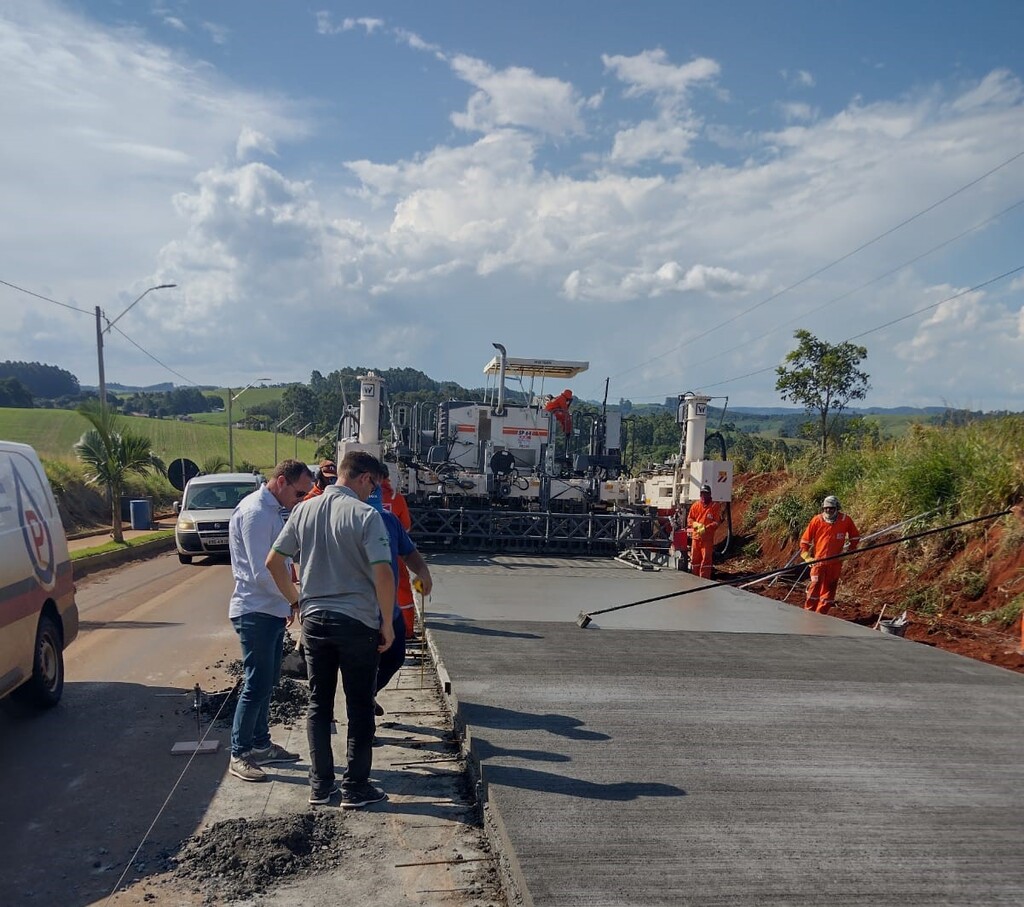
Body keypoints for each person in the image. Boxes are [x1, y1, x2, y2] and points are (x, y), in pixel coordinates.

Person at [266, 451, 395, 808]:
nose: (375, 493)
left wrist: (297, 601)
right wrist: (387, 623)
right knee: (358, 706)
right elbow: (383, 573)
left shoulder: (303, 511)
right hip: (357, 623)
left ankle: (321, 787)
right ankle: (356, 787)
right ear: (365, 478)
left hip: (316, 622)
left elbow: (274, 561)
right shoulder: (366, 516)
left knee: (318, 704)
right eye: (376, 485)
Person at [227, 459, 313, 783]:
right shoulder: (256, 514)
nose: (301, 499)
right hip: (255, 610)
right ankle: (240, 753)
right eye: (299, 492)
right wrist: (294, 599)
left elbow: (285, 561)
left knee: (268, 681)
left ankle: (261, 744)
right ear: (280, 482)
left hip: (272, 609)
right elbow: (262, 572)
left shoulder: (275, 511)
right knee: (255, 683)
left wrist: (287, 602)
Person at [367, 471, 433, 711]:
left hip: (388, 608)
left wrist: (422, 571)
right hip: (359, 609)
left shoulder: (389, 520)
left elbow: (408, 551)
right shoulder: (350, 519)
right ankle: (363, 724)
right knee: (365, 663)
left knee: (395, 657)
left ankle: (367, 693)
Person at [800, 495, 860, 614]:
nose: (828, 510)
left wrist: (850, 551)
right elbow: (804, 541)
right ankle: (808, 615)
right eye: (826, 508)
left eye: (831, 508)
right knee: (814, 588)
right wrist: (807, 557)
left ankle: (821, 615)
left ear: (837, 508)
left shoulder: (845, 520)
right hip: (818, 562)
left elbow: (855, 536)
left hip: (835, 563)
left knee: (829, 591)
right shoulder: (817, 520)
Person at [380, 473, 417, 637]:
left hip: (365, 554)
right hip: (394, 553)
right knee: (402, 589)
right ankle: (407, 630)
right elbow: (406, 527)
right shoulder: (397, 498)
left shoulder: (359, 497)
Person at [686, 483, 721, 579]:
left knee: (706, 561)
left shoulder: (714, 506)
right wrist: (696, 525)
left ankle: (704, 581)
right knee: (695, 560)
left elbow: (716, 522)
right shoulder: (695, 506)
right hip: (696, 538)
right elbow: (689, 519)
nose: (704, 496)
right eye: (702, 494)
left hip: (707, 539)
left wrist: (706, 528)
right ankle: (694, 579)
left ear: (710, 494)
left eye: (706, 494)